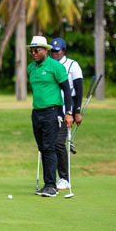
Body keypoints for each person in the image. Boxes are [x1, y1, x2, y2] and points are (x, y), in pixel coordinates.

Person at [27, 36, 73, 197]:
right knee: (42, 148)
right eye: (31, 50)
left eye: (36, 50)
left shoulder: (56, 67)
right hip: (37, 112)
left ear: (45, 50)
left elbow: (67, 90)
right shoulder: (31, 68)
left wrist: (68, 112)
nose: (33, 53)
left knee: (49, 147)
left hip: (53, 112)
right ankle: (48, 184)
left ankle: (51, 186)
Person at [50, 37, 83, 190]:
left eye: (57, 51)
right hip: (51, 111)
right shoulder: (48, 65)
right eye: (52, 51)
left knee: (58, 143)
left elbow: (78, 89)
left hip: (66, 112)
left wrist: (76, 112)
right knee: (50, 145)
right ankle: (52, 178)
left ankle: (64, 178)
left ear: (63, 51)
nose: (54, 53)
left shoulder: (72, 65)